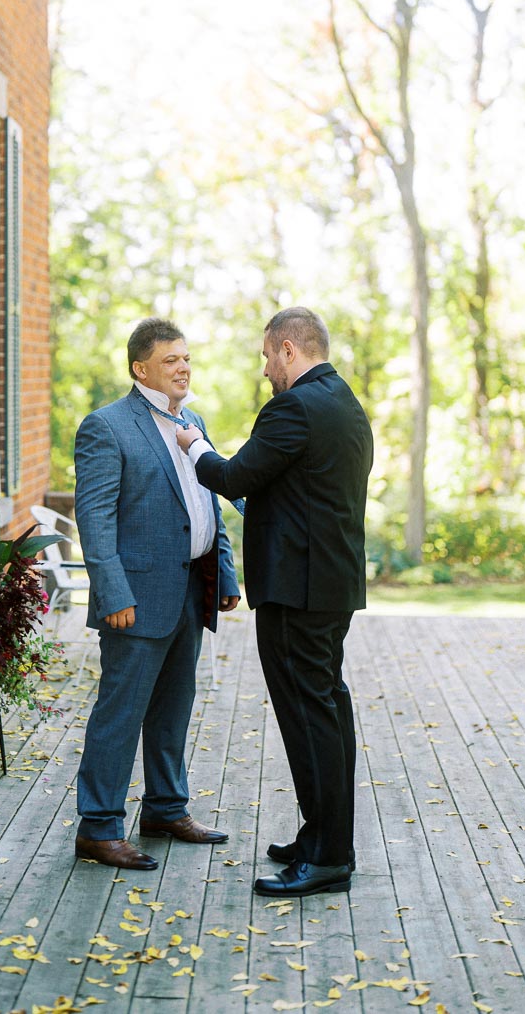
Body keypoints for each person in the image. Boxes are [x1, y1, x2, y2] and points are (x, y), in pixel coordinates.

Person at [176, 307, 373, 897]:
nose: (265, 370)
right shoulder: (344, 403)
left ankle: (330, 857)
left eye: (267, 357)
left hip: (298, 591)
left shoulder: (294, 406)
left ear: (288, 350)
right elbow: (291, 490)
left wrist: (193, 444)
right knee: (327, 711)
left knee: (311, 717)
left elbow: (235, 477)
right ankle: (322, 837)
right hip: (327, 586)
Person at [73, 318, 241, 870]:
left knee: (174, 708)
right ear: (140, 368)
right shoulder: (107, 426)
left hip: (191, 590)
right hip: (135, 599)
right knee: (120, 712)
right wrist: (112, 592)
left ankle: (166, 808)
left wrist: (225, 575)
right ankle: (98, 827)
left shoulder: (193, 421)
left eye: (187, 358)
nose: (184, 368)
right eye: (171, 360)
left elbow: (207, 505)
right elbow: (94, 520)